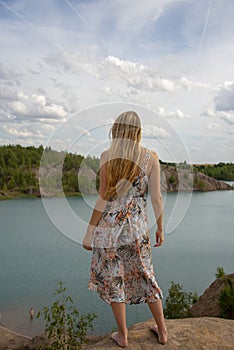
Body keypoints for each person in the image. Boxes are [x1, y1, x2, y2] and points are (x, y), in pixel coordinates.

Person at [83, 111, 168, 347]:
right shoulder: (151, 157)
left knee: (114, 280)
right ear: (138, 132)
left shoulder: (107, 156)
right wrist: (160, 227)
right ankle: (162, 330)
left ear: (116, 131)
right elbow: (157, 197)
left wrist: (90, 231)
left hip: (109, 228)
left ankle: (123, 335)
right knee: (146, 275)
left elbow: (103, 198)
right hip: (137, 228)